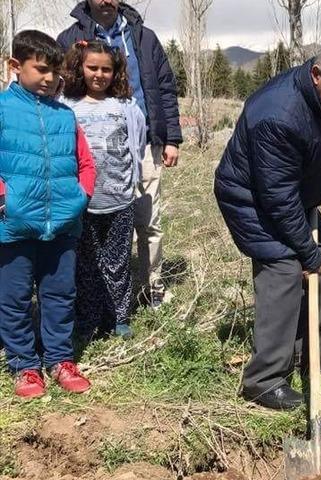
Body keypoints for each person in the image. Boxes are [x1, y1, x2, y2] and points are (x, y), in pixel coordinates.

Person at [214, 44, 321, 410]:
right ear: (317, 75)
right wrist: (304, 252)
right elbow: (276, 199)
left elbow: (292, 180)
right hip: (251, 198)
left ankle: (312, 349)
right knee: (283, 269)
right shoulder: (278, 114)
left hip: (293, 196)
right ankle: (263, 379)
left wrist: (314, 252)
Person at [58, 0, 183, 309]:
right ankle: (96, 292)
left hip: (144, 143)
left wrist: (171, 138)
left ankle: (150, 285)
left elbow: (165, 87)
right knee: (90, 221)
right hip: (88, 146)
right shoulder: (69, 38)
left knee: (148, 220)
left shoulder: (144, 37)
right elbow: (58, 89)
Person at [0, 30, 96, 398]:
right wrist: (6, 200)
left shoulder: (65, 116)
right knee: (15, 297)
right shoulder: (4, 110)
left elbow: (86, 164)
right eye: (40, 70)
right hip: (14, 225)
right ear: (14, 66)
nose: (49, 79)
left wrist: (80, 195)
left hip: (63, 225)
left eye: (54, 72)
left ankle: (60, 359)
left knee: (60, 294)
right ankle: (24, 365)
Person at [61, 39, 147, 340]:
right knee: (86, 265)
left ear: (117, 72)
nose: (99, 74)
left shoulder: (125, 107)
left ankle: (118, 317)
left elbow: (135, 146)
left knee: (118, 262)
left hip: (120, 200)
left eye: (106, 69)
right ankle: (87, 319)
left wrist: (131, 182)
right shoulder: (67, 107)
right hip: (83, 203)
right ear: (79, 68)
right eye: (92, 67)